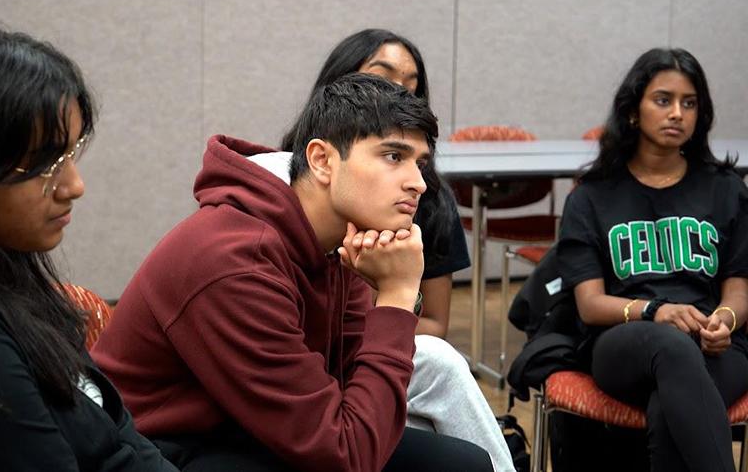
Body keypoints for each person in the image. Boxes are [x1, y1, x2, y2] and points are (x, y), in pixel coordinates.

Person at [92, 74, 494, 471]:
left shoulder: (338, 238)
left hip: (253, 427)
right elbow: (346, 455)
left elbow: (351, 386)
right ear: (322, 160)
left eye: (419, 162)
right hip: (160, 450)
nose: (418, 183)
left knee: (466, 463)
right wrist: (396, 297)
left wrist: (394, 297)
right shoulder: (236, 261)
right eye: (393, 157)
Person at [279, 29, 514, 472]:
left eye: (411, 85)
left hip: (356, 359)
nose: (397, 93)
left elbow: (430, 325)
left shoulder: (424, 199)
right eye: (381, 78)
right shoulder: (282, 210)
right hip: (279, 406)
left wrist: (393, 291)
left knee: (440, 377)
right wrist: (392, 293)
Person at [0, 23, 178, 471]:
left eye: (71, 155)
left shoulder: (13, 282)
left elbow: (122, 433)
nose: (74, 186)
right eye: (45, 164)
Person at [557, 47, 748, 472]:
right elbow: (590, 304)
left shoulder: (726, 189)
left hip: (714, 344)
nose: (677, 113)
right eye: (663, 100)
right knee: (670, 346)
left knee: (671, 408)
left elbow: (738, 285)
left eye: (689, 103)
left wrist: (725, 320)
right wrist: (656, 311)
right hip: (625, 337)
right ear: (632, 111)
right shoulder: (593, 195)